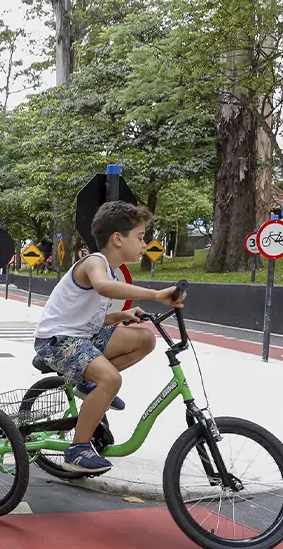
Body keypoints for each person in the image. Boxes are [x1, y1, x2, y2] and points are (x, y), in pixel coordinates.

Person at [32, 201, 185, 475]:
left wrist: (118, 317)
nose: (144, 243)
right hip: (56, 342)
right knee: (111, 379)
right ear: (117, 238)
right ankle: (77, 450)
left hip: (81, 336)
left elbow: (86, 318)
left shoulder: (109, 270)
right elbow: (103, 287)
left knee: (144, 340)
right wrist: (155, 294)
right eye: (140, 237)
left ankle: (87, 385)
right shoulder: (94, 263)